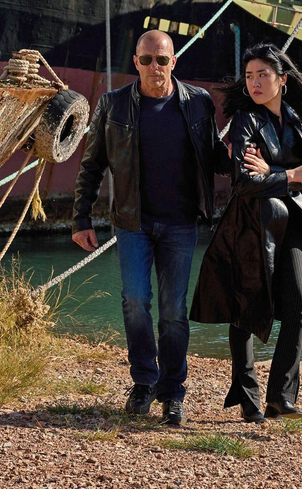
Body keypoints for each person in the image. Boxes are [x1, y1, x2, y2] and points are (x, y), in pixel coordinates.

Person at [72, 30, 229, 426]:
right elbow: (91, 165)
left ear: (174, 61)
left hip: (180, 224)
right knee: (135, 301)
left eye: (162, 60)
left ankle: (172, 392)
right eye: (146, 60)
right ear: (136, 63)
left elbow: (213, 158)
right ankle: (144, 381)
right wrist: (81, 219)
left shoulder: (198, 103)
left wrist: (248, 154)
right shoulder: (113, 104)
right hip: (132, 223)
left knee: (174, 312)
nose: (154, 68)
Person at [189, 43, 302, 424]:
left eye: (263, 74)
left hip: (292, 222)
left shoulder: (298, 118)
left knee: (299, 304)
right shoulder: (245, 120)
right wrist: (287, 175)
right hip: (249, 223)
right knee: (245, 308)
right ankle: (248, 397)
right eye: (249, 76)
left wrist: (273, 171)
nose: (255, 82)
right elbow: (245, 183)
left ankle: (281, 395)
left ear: (283, 80)